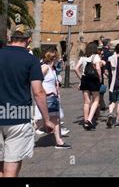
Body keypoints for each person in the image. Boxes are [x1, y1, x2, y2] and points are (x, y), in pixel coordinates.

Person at [0, 28, 55, 177]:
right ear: (29, 40)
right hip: (18, 118)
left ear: (11, 38)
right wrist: (47, 119)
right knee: (11, 167)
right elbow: (38, 92)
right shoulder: (31, 60)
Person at [34, 49, 71, 149]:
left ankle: (59, 141)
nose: (59, 59)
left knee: (56, 119)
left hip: (53, 98)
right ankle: (24, 138)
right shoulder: (45, 67)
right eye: (57, 57)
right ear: (53, 57)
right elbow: (36, 82)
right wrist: (47, 92)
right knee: (40, 121)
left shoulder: (53, 69)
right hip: (46, 98)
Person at [74, 42, 102, 130]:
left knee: (86, 102)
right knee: (96, 100)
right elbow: (97, 68)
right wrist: (100, 77)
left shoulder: (83, 57)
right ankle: (89, 119)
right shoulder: (96, 56)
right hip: (93, 80)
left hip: (85, 80)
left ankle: (85, 122)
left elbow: (75, 68)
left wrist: (81, 78)